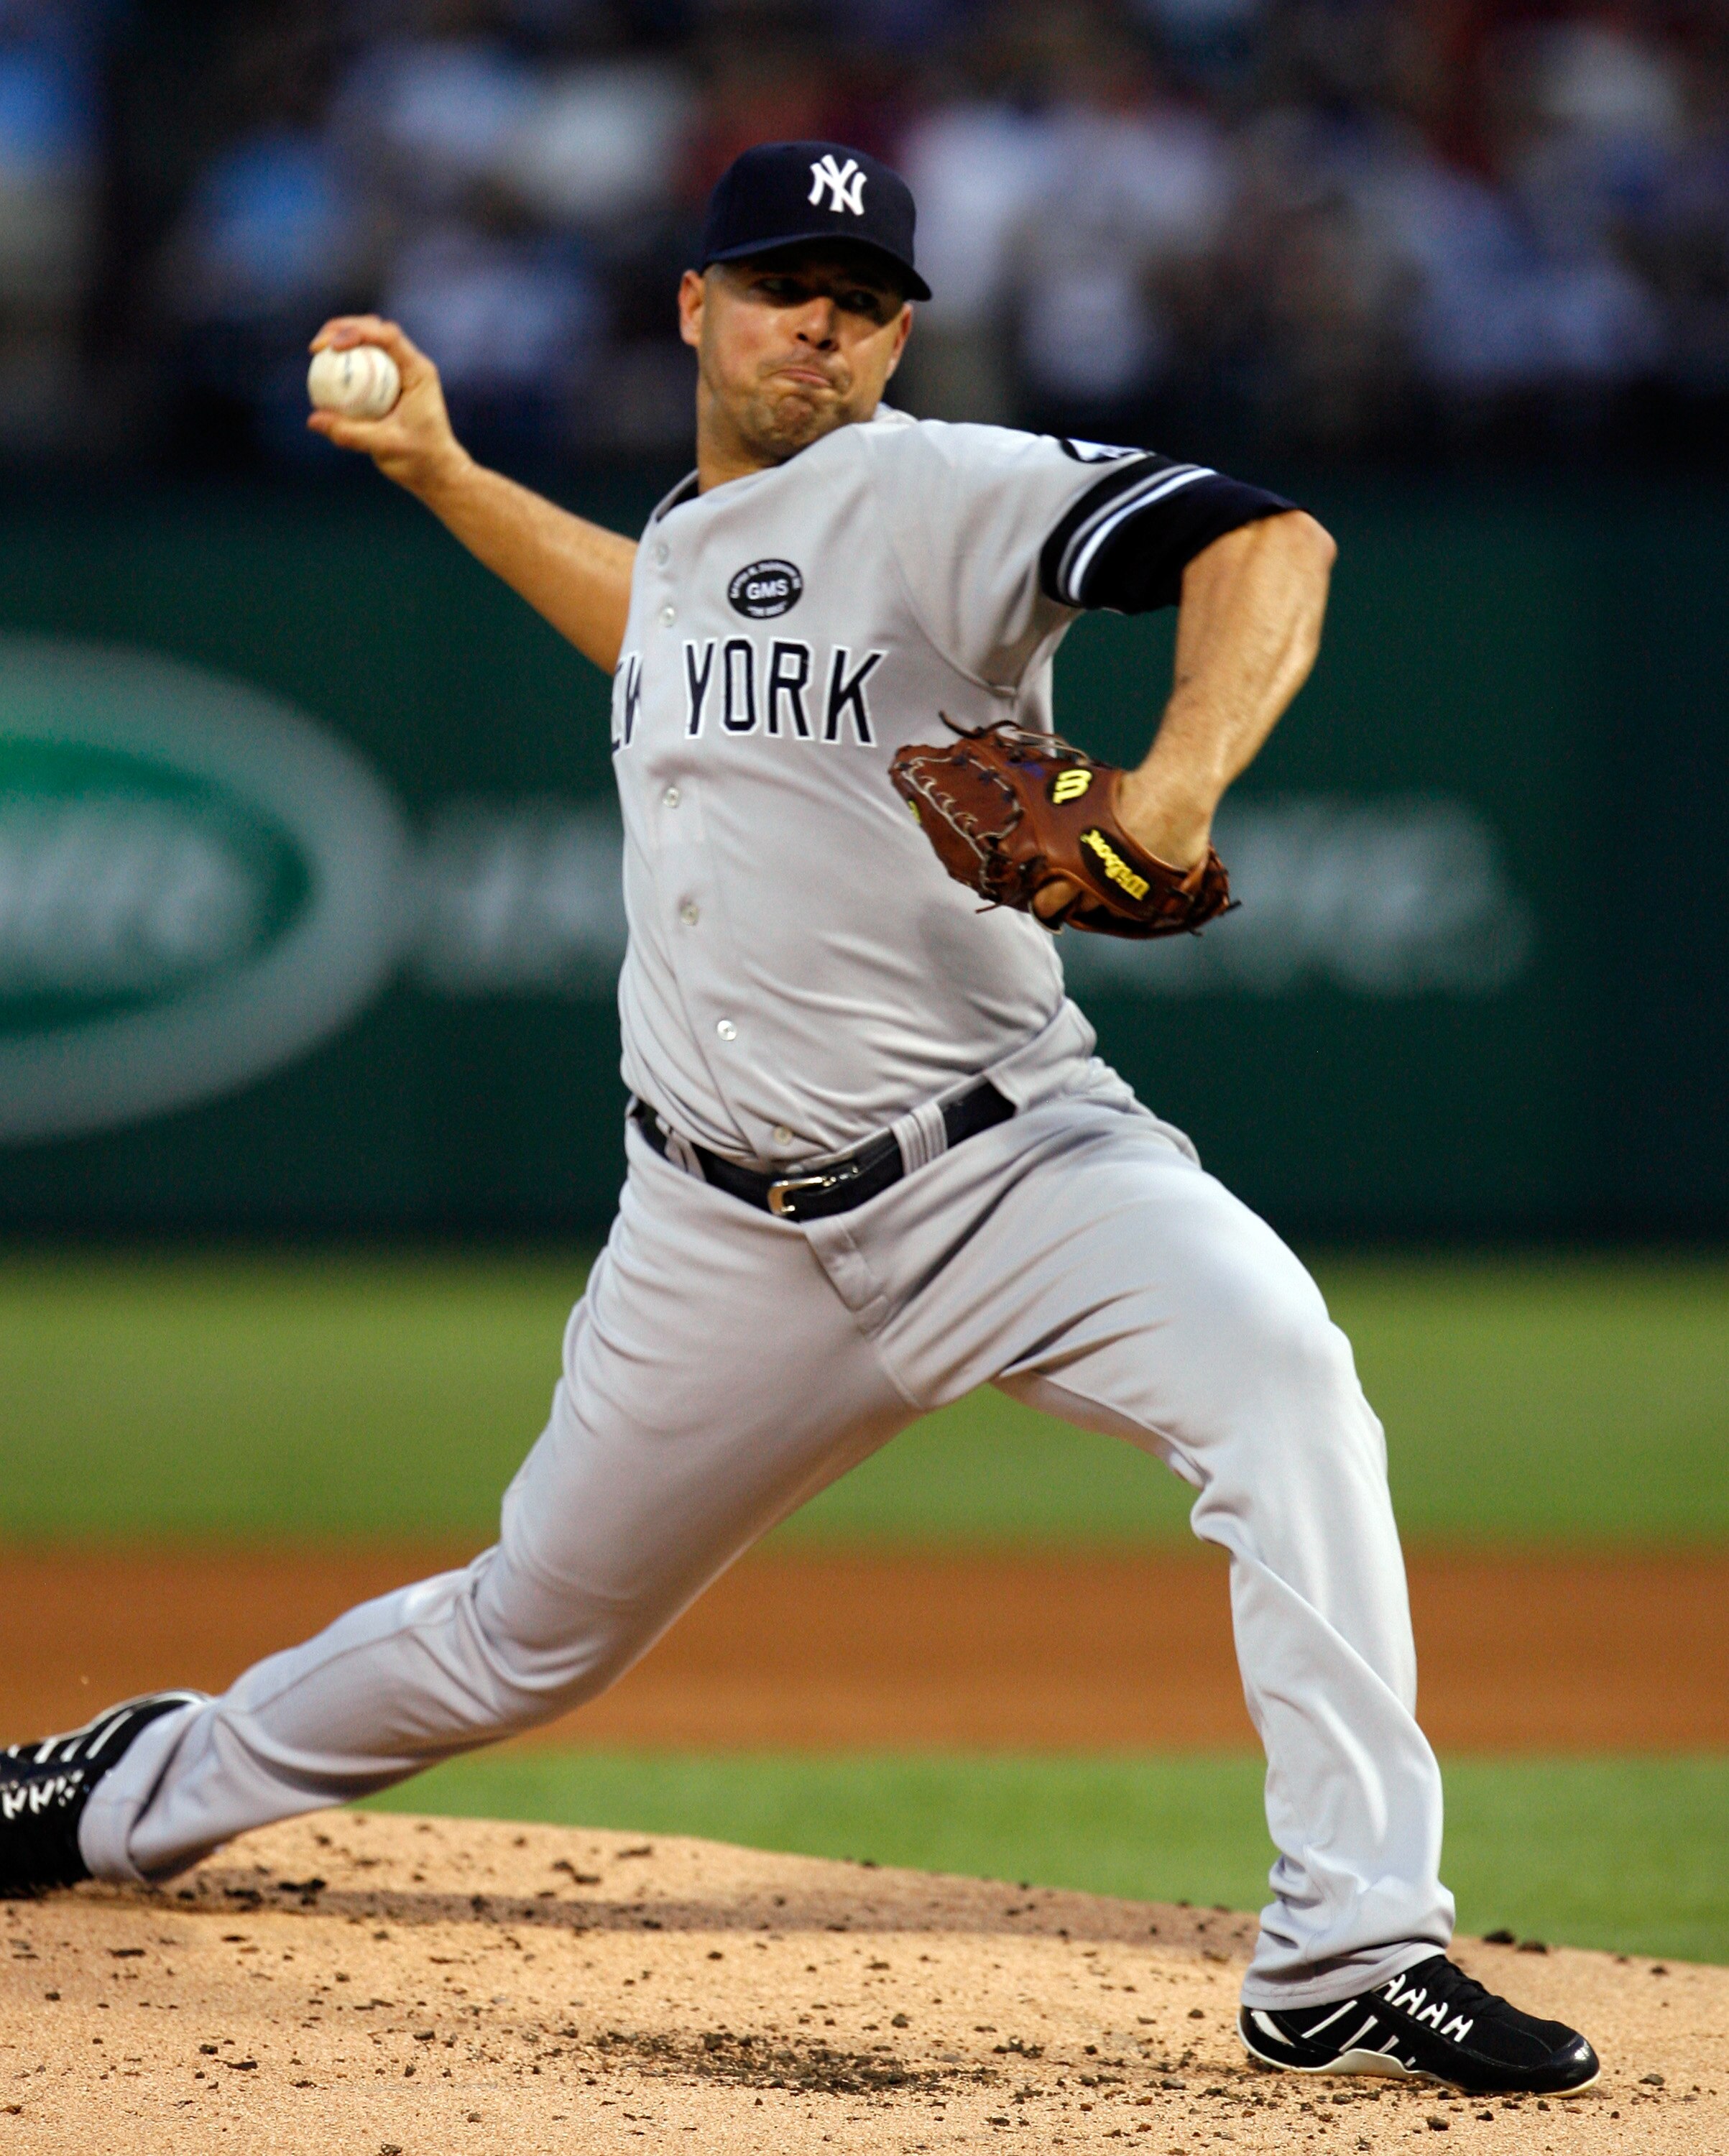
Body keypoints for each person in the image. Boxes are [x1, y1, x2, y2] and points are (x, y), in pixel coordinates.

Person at [1, 142, 1596, 2098]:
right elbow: (667, 632)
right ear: (695, 307)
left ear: (902, 331)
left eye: (859, 294)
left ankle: (1349, 1945)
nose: (817, 322)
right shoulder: (693, 534)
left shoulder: (943, 488)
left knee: (1283, 1375)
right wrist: (441, 473)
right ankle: (123, 1790)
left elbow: (1277, 547)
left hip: (1010, 1165)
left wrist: (1175, 785)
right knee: (522, 1640)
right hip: (720, 1233)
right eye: (779, 282)